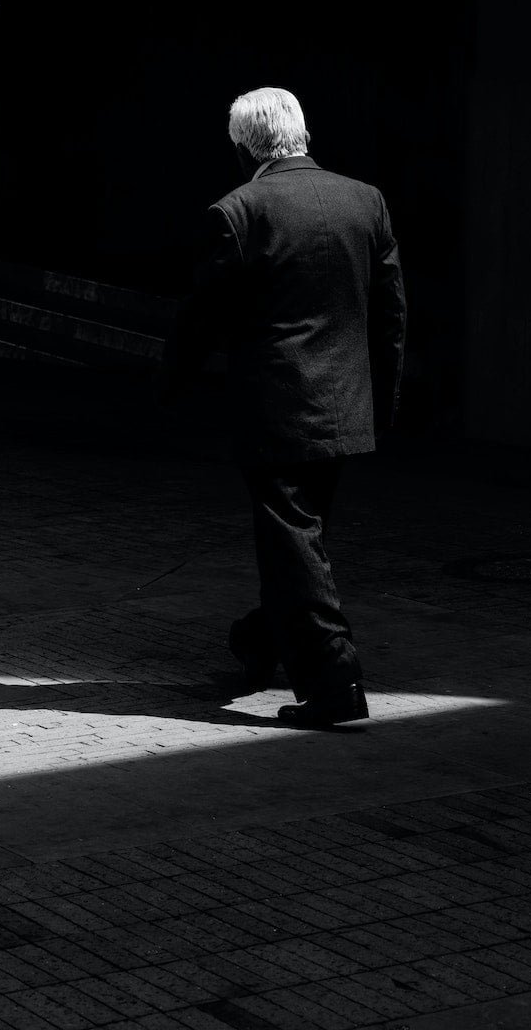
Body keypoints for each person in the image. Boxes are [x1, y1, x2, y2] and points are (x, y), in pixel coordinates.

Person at [162, 87, 406, 729]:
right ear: (301, 132)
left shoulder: (239, 211)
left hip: (276, 412)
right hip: (345, 410)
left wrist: (170, 387)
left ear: (244, 147)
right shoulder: (365, 200)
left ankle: (335, 685)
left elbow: (201, 317)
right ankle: (260, 637)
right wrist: (386, 402)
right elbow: (391, 314)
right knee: (301, 541)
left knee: (293, 546)